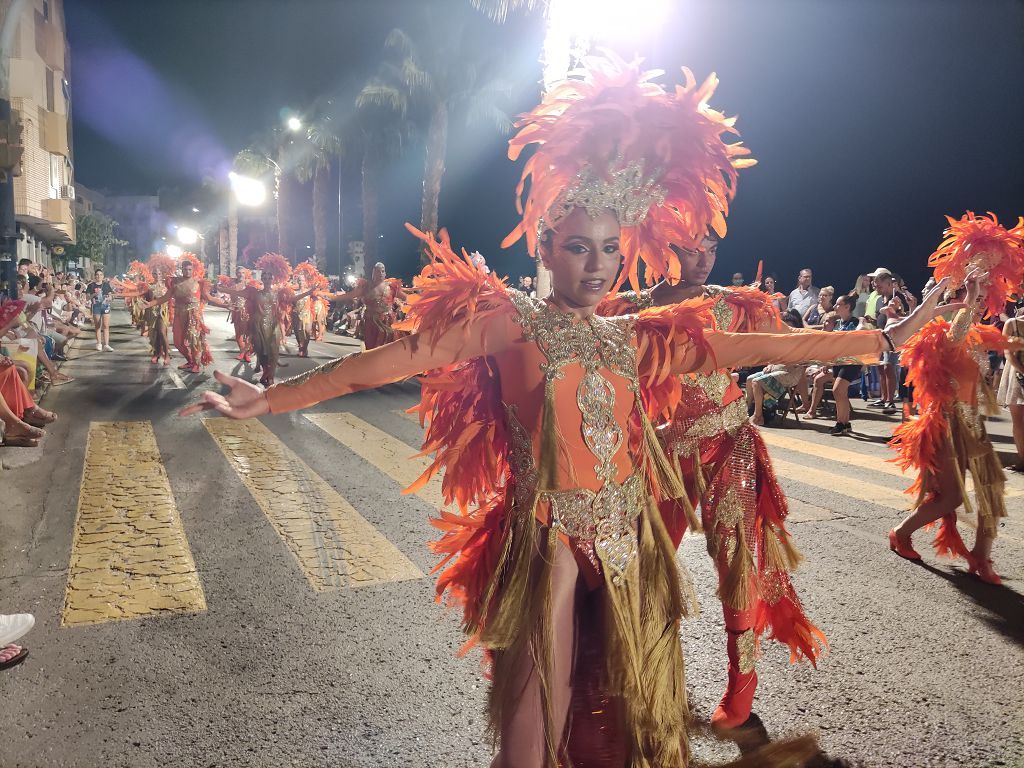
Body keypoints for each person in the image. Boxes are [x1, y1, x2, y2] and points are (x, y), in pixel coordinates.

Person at [184, 60, 957, 766]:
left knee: (628, 729)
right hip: (547, 540)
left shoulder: (634, 339)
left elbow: (757, 344)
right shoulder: (509, 322)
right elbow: (387, 362)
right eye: (579, 247)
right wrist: (274, 397)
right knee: (532, 732)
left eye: (610, 250)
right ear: (547, 249)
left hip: (632, 545)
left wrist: (882, 335)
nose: (597, 264)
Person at [890, 211, 1024, 586]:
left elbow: (1009, 343)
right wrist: (970, 297)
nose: (980, 305)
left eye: (984, 301)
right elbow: (953, 340)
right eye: (974, 299)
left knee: (991, 491)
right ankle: (901, 532)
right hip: (944, 423)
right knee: (949, 497)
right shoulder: (939, 332)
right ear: (958, 297)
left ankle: (981, 556)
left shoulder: (980, 336)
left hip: (971, 424)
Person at [145, 253, 226, 374]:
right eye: (185, 269)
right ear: (181, 269)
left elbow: (209, 298)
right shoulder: (175, 283)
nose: (187, 271)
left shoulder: (198, 283)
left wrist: (225, 305)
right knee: (178, 343)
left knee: (194, 341)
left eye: (189, 269)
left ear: (193, 270)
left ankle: (196, 364)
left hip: (194, 315)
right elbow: (165, 298)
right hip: (179, 315)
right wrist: (150, 304)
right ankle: (190, 360)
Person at [322, 262, 406, 350]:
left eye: (382, 271)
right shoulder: (365, 287)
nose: (380, 274)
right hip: (371, 322)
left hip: (388, 323)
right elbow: (347, 295)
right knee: (372, 348)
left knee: (387, 349)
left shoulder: (392, 287)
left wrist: (420, 300)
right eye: (377, 271)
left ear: (385, 273)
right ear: (373, 273)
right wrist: (327, 296)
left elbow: (408, 298)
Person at [746, 310, 808, 425]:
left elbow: (799, 362)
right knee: (750, 379)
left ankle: (758, 416)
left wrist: (777, 364)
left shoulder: (801, 341)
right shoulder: (780, 339)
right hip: (777, 369)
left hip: (790, 373)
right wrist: (770, 365)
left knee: (757, 382)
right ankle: (747, 410)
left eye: (789, 326)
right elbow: (774, 358)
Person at [997, 299, 1024, 471]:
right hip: (1016, 375)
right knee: (1019, 421)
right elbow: (1008, 353)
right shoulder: (1012, 323)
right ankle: (1022, 460)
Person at [86, 268, 114, 352]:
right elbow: (87, 297)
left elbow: (110, 296)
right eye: (97, 275)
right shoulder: (91, 285)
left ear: (103, 276)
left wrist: (108, 298)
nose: (99, 276)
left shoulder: (106, 285)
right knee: (98, 326)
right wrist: (95, 294)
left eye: (101, 275)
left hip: (105, 306)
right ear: (95, 276)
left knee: (106, 326)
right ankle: (99, 343)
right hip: (96, 307)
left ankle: (106, 344)